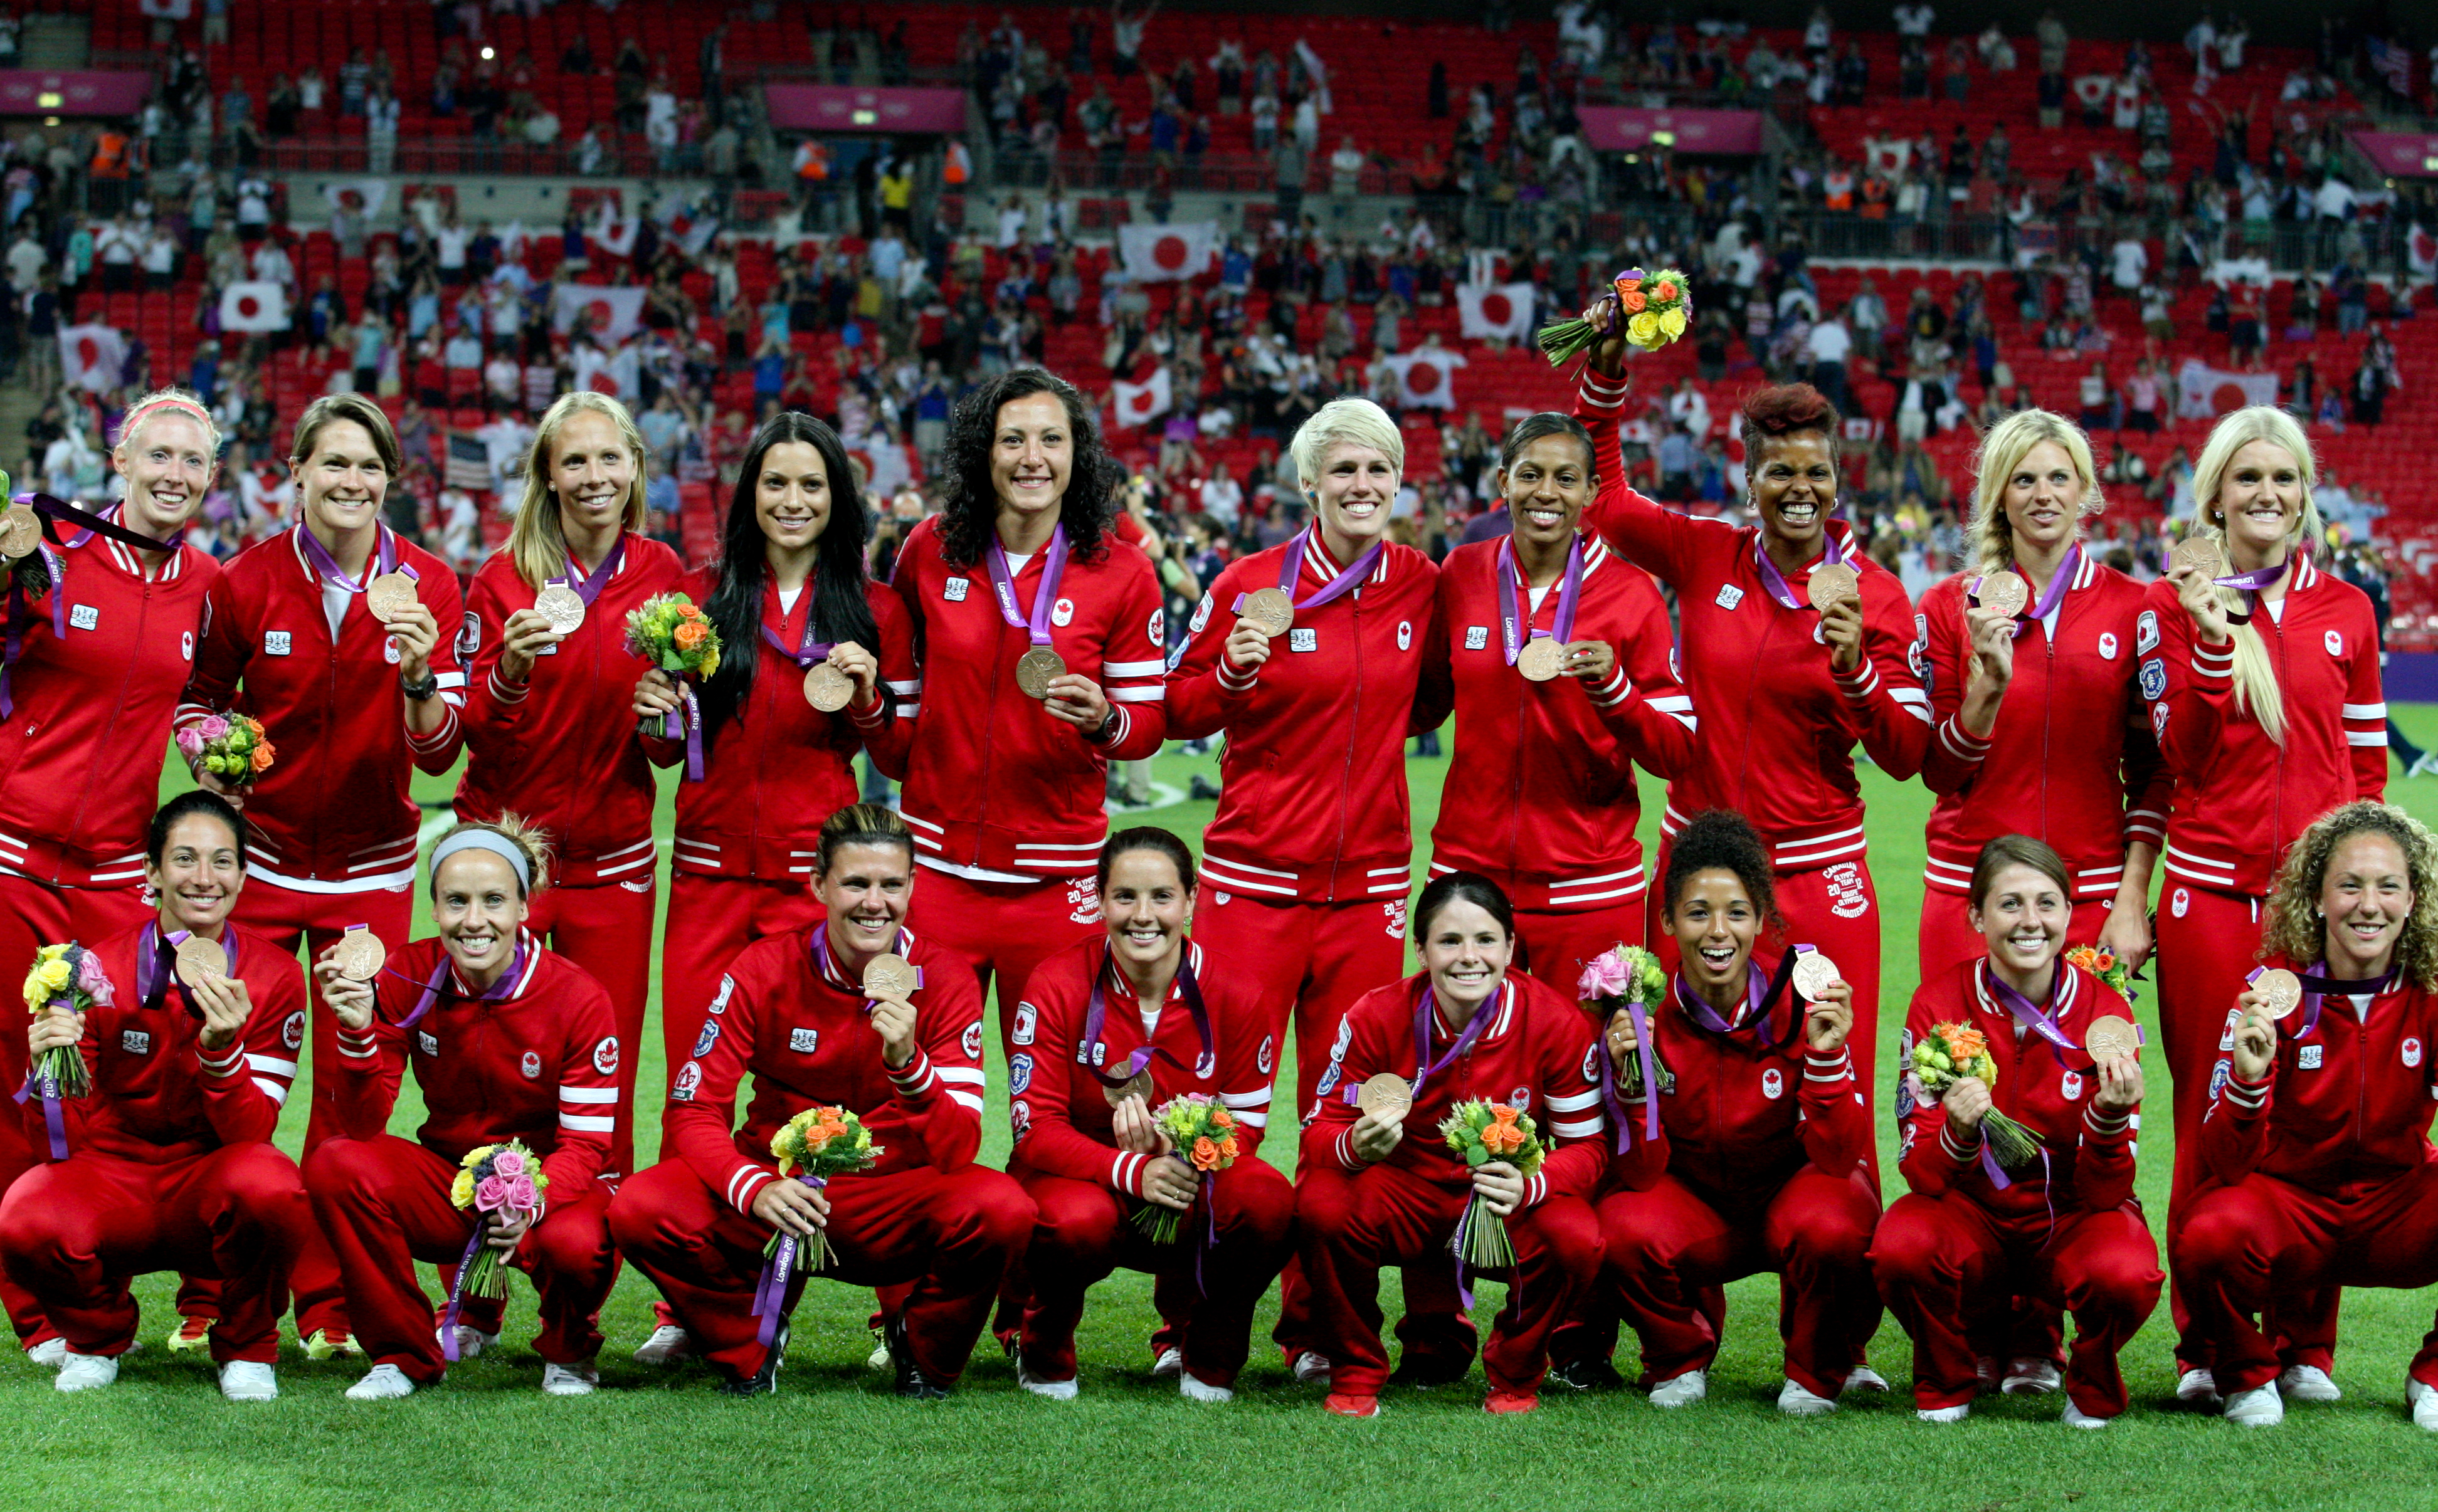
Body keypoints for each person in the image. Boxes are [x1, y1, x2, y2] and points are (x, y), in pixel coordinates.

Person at [1574, 310, 1930, 1109]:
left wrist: (1855, 675)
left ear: (1840, 479)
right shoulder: (1707, 556)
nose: (1799, 491)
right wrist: (1606, 381)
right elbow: (1606, 502)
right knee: (1681, 1085)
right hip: (1697, 867)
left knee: (1832, 1087)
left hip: (1816, 874)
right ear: (1750, 481)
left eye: (1817, 474)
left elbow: (1910, 757)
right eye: (1780, 473)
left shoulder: (1876, 595)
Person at [1164, 396, 1450, 1384]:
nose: (1363, 487)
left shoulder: (1421, 582)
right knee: (1218, 1115)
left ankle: (1318, 1328)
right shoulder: (1248, 584)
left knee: (1347, 1116)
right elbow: (1179, 704)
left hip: (1368, 892)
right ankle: (1188, 1324)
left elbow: (1445, 693)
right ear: (1309, 484)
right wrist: (1235, 673)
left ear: (1398, 483)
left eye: (1380, 470)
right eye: (1345, 472)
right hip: (1251, 884)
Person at [179, 392, 467, 1358]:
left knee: (357, 1095)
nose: (351, 483)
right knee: (235, 1085)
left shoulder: (430, 584)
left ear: (392, 480)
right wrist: (217, 745)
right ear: (295, 471)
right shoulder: (246, 581)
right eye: (333, 465)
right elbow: (197, 708)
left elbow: (440, 759)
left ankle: (333, 1304)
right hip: (256, 866)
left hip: (371, 874)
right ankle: (211, 1295)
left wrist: (422, 674)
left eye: (369, 469)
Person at [608, 805, 1032, 1398]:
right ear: (818, 885)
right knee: (642, 1205)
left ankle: (922, 1346)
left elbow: (959, 1146)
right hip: (774, 1188)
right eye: (856, 883)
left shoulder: (945, 975)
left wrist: (909, 1064)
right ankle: (751, 1339)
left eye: (891, 884)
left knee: (1002, 1208)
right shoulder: (763, 966)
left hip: (889, 1199)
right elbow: (693, 1107)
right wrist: (752, 1188)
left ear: (913, 886)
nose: (874, 902)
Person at [2144, 406, 2385, 1402]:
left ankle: (2306, 1346)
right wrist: (2209, 639)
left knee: (2314, 1126)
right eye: (2247, 479)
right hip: (2209, 900)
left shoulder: (2351, 611)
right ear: (2214, 496)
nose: (2268, 496)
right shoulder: (2172, 605)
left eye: (2284, 479)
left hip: (2317, 915)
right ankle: (2208, 1346)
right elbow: (2178, 759)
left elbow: (2367, 771)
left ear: (2306, 494)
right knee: (2214, 1123)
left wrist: (2370, 891)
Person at [0, 391, 221, 1357]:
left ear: (212, 478)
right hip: (12, 849)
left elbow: (199, 702)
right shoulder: (51, 549)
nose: (175, 473)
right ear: (119, 458)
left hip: (113, 876)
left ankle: (94, 1282)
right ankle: (33, 1309)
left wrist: (213, 743)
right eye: (158, 454)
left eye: (194, 460)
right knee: (17, 1079)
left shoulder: (208, 582)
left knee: (95, 1087)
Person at [1553, 809, 1879, 1411]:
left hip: (1790, 1201)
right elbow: (1642, 1173)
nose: (1717, 931)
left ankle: (1814, 1372)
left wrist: (1830, 1061)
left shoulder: (1804, 1003)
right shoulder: (1641, 1018)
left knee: (1842, 1213)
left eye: (1736, 913)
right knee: (1622, 1224)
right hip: (1695, 1207)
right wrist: (1633, 1079)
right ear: (1670, 921)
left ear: (1762, 920)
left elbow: (1838, 1156)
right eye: (1698, 913)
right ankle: (1680, 1359)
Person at [0, 792, 315, 1400]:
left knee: (273, 1186)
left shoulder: (276, 973)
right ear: (151, 872)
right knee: (26, 1213)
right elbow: (61, 1144)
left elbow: (252, 1134)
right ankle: (97, 1339)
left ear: (244, 876)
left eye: (223, 862)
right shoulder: (94, 969)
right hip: (116, 1177)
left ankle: (248, 1347)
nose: (204, 879)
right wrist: (50, 1071)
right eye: (185, 859)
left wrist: (221, 1052)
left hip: (206, 1178)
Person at [635, 412, 914, 1087]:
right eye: (776, 483)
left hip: (813, 888)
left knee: (807, 1100)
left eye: (812, 485)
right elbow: (668, 755)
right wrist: (653, 714)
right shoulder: (697, 600)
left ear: (837, 497)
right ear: (749, 495)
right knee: (692, 1091)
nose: (793, 502)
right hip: (706, 882)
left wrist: (869, 699)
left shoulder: (879, 611)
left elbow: (900, 758)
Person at [883, 370, 1168, 1019]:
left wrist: (1106, 720)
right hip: (936, 871)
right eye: (1013, 440)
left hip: (1056, 880)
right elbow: (901, 702)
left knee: (1049, 1104)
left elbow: (1149, 725)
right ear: (985, 452)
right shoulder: (930, 549)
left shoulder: (1123, 571)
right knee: (916, 1092)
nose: (1032, 458)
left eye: (1051, 440)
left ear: (1077, 455)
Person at [305, 818, 622, 1399]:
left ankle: (569, 1346)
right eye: (456, 901)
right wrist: (355, 1036)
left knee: (577, 1242)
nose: (474, 921)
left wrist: (534, 1198)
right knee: (336, 1162)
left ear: (526, 908)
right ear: (435, 908)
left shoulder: (578, 998)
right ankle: (403, 1354)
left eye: (494, 900)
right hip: (452, 1184)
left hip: (556, 1188)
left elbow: (588, 1144)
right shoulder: (406, 971)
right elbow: (362, 1124)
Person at [455, 391, 685, 1182]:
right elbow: (473, 735)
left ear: (635, 469)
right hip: (510, 860)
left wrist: (665, 716)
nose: (595, 476)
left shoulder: (664, 576)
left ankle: (589, 1256)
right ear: (548, 476)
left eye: (609, 458)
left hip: (615, 863)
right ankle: (479, 1223)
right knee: (493, 1060)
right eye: (575, 460)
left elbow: (666, 754)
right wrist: (512, 673)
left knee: (607, 1072)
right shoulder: (500, 579)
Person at [1295, 871, 1607, 1417]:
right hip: (1405, 1193)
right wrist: (1354, 1146)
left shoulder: (1555, 1022)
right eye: (1449, 941)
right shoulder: (1376, 1014)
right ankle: (1357, 1369)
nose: (1469, 957)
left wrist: (1532, 1183)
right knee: (1322, 1202)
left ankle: (1515, 1372)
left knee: (1574, 1233)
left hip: (1499, 1195)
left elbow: (1589, 1150)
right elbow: (1318, 1132)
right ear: (1420, 950)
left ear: (1511, 946)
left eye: (1486, 940)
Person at [1874, 835, 2161, 1425]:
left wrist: (2108, 1118)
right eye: (2010, 904)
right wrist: (1956, 1129)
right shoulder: (1938, 1001)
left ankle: (2089, 1380)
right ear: (1977, 915)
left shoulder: (2108, 1013)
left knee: (2126, 1267)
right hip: (1973, 1216)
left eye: (2047, 903)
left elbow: (2108, 1193)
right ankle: (1952, 1371)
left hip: (2069, 1219)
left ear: (2069, 914)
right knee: (1901, 1243)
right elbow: (1921, 1175)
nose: (2031, 922)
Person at [1001, 828, 1292, 1401]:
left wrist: (1177, 1155)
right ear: (1098, 900)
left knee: (1267, 1201)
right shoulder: (1057, 981)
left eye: (1162, 897)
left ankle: (1206, 1354)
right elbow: (1034, 1130)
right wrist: (1130, 1169)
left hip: (1186, 1179)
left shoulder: (1236, 988)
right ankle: (1044, 1347)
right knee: (1072, 1221)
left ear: (1191, 900)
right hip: (1081, 1181)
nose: (1143, 916)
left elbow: (1248, 1128)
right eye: (1125, 897)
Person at [2174, 802, 2438, 1428]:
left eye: (2387, 887)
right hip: (2292, 1211)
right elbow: (2225, 1160)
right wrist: (2246, 1078)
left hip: (2394, 1209)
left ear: (2412, 901)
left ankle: (2432, 1378)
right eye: (2349, 886)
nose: (2368, 905)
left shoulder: (2430, 995)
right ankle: (2247, 1374)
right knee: (2209, 1229)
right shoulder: (2270, 994)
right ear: (2317, 899)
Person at [1417, 413, 1696, 991]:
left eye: (1566, 479)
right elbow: (1422, 708)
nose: (1546, 493)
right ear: (1502, 482)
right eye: (1530, 475)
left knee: (1588, 1076)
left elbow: (1677, 754)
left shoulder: (1631, 592)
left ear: (1591, 492)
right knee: (1470, 1071)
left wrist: (1614, 690)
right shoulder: (1463, 572)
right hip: (1470, 881)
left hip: (1589, 886)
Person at [1917, 410, 2165, 983]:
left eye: (2059, 478)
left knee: (2087, 1071)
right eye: (2024, 480)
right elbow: (1938, 772)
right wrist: (1991, 688)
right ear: (1998, 496)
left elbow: (2153, 770)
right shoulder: (1948, 606)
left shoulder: (2136, 608)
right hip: (1970, 891)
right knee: (1962, 1071)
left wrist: (2132, 898)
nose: (2043, 495)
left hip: (2092, 895)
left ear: (2086, 491)